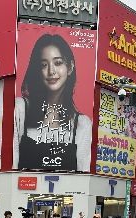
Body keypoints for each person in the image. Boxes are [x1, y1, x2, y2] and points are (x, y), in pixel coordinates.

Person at [13, 33, 92, 172]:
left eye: (58, 63)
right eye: (44, 65)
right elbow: (10, 169)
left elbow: (83, 178)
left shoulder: (82, 124)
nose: (51, 71)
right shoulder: (20, 109)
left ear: (70, 67)